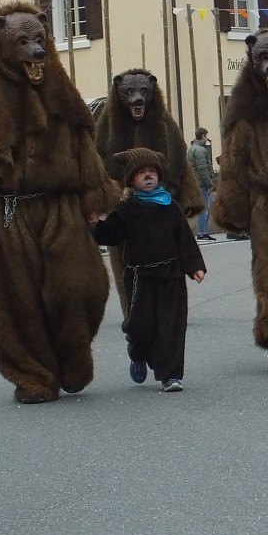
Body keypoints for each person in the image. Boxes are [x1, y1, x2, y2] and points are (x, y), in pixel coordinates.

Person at [92, 148, 206, 392]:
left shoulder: (171, 207)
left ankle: (170, 375)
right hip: (140, 277)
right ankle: (138, 355)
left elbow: (185, 239)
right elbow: (111, 234)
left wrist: (194, 266)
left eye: (152, 172)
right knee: (141, 327)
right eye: (141, 172)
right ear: (131, 179)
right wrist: (95, 226)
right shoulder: (127, 209)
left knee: (171, 327)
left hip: (171, 276)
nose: (148, 176)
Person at [187, 127, 216, 241]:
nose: (207, 138)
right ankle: (203, 232)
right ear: (203, 135)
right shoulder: (200, 150)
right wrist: (210, 184)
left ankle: (202, 232)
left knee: (203, 208)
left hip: (196, 182)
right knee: (205, 209)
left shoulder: (193, 148)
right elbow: (203, 169)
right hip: (202, 184)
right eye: (206, 136)